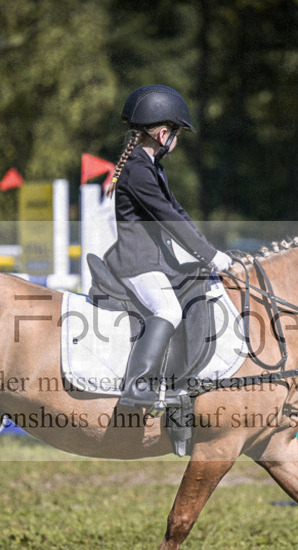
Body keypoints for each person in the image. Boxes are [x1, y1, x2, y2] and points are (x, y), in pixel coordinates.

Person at [102, 85, 233, 408]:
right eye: (176, 133)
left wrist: (208, 251)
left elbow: (178, 213)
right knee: (168, 309)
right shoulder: (137, 170)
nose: (177, 139)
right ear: (163, 133)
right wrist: (211, 255)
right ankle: (138, 385)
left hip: (155, 261)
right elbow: (166, 220)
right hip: (137, 263)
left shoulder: (151, 167)